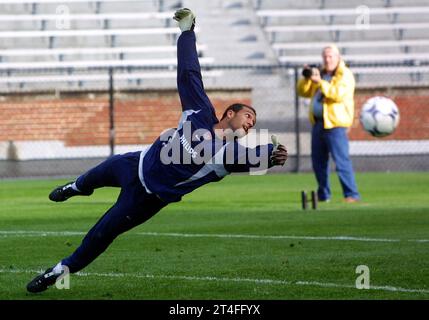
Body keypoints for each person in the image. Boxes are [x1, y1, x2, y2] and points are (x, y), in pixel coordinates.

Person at [26, 8, 288, 293]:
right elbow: (190, 74)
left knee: (101, 234)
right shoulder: (200, 112)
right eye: (248, 116)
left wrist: (271, 154)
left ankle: (58, 271)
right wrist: (187, 34)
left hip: (146, 198)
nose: (251, 123)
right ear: (229, 113)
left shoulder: (227, 154)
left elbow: (250, 157)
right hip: (134, 163)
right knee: (91, 178)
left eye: (254, 123)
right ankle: (75, 188)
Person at [297, 44, 360, 203]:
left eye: (330, 56)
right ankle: (324, 195)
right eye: (325, 56)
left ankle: (351, 194)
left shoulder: (344, 74)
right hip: (318, 123)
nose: (327, 59)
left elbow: (337, 94)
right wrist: (306, 78)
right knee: (318, 162)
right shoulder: (321, 73)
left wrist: (320, 82)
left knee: (341, 160)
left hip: (335, 124)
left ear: (338, 58)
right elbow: (302, 92)